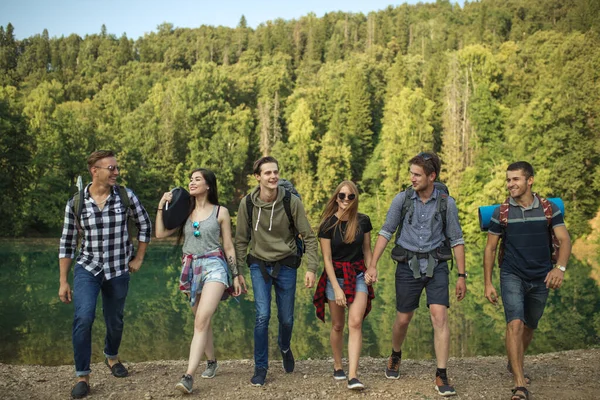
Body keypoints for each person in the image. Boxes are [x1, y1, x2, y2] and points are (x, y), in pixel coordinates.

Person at [365, 152, 467, 397]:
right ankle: (395, 355)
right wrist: (373, 264)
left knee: (439, 315)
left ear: (432, 176)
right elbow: (387, 231)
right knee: (403, 318)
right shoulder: (402, 199)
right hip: (407, 265)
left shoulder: (446, 203)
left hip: (437, 265)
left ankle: (441, 373)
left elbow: (457, 239)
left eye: (417, 174)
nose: (412, 178)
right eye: (411, 173)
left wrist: (462, 275)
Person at [58, 150, 152, 399]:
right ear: (95, 171)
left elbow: (145, 224)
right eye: (111, 168)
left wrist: (139, 257)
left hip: (119, 268)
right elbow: (67, 243)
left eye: (116, 168)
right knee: (83, 318)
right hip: (88, 268)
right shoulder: (76, 203)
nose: (116, 172)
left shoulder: (125, 196)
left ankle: (112, 357)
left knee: (115, 320)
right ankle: (82, 376)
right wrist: (63, 281)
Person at [483, 161, 571, 400]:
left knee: (530, 325)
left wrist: (559, 269)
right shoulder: (501, 212)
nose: (510, 184)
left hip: (541, 275)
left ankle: (514, 363)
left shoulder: (549, 209)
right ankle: (519, 384)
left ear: (529, 180)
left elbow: (565, 240)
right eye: (508, 179)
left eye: (515, 179)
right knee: (515, 323)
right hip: (512, 273)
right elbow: (491, 248)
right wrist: (488, 283)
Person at [155, 168, 245, 394]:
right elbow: (160, 233)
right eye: (190, 179)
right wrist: (160, 206)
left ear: (208, 186)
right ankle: (212, 361)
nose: (192, 183)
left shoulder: (220, 212)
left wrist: (235, 275)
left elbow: (228, 246)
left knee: (201, 320)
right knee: (201, 320)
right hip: (190, 268)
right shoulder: (184, 211)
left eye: (197, 180)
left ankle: (188, 376)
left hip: (215, 266)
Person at [234, 156, 319, 387]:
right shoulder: (247, 204)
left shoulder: (291, 202)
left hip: (287, 264)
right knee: (262, 316)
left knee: (287, 319)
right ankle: (260, 367)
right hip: (258, 264)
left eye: (275, 172)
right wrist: (237, 272)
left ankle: (284, 346)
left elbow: (309, 237)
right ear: (258, 177)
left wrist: (312, 268)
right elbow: (241, 240)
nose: (273, 176)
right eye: (268, 173)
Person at [312, 181, 375, 390]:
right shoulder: (327, 225)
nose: (346, 200)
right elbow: (327, 260)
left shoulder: (363, 221)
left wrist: (370, 269)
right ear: (336, 198)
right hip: (335, 277)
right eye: (342, 196)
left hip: (357, 275)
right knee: (338, 325)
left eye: (350, 197)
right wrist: (337, 288)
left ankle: (353, 375)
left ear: (355, 198)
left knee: (355, 322)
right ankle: (338, 365)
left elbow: (367, 250)